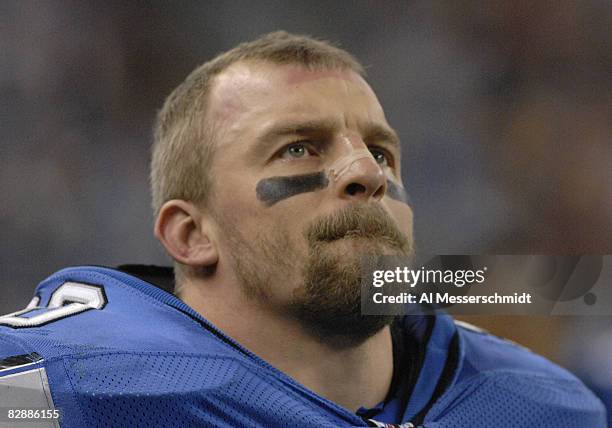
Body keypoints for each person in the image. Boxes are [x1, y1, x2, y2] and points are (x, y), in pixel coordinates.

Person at [0, 31, 605, 428]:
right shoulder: (66, 386)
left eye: (382, 153)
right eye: (298, 149)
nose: (366, 173)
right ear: (190, 234)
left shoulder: (546, 407)